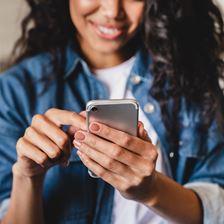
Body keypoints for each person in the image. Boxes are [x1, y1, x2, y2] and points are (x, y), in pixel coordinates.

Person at [0, 0, 224, 223]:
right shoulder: (15, 91)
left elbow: (218, 207)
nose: (112, 11)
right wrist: (28, 177)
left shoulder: (192, 78)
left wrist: (152, 190)